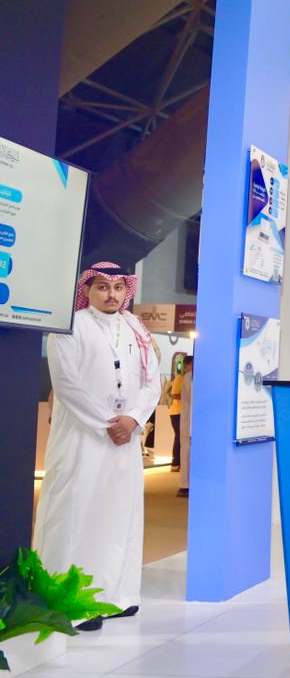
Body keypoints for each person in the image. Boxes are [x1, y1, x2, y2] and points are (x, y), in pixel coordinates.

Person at [34, 262, 162, 629]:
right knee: (76, 514)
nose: (111, 294)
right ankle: (71, 603)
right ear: (87, 290)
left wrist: (133, 419)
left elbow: (153, 381)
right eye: (103, 287)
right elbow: (67, 385)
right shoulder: (69, 327)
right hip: (83, 438)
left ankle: (117, 596)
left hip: (124, 440)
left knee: (120, 515)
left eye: (118, 287)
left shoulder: (135, 328)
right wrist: (109, 424)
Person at [167, 352, 185, 471]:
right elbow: (174, 394)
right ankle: (175, 463)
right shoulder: (180, 378)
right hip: (176, 412)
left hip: (181, 412)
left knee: (181, 437)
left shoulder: (186, 378)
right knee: (179, 437)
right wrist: (187, 397)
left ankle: (179, 463)